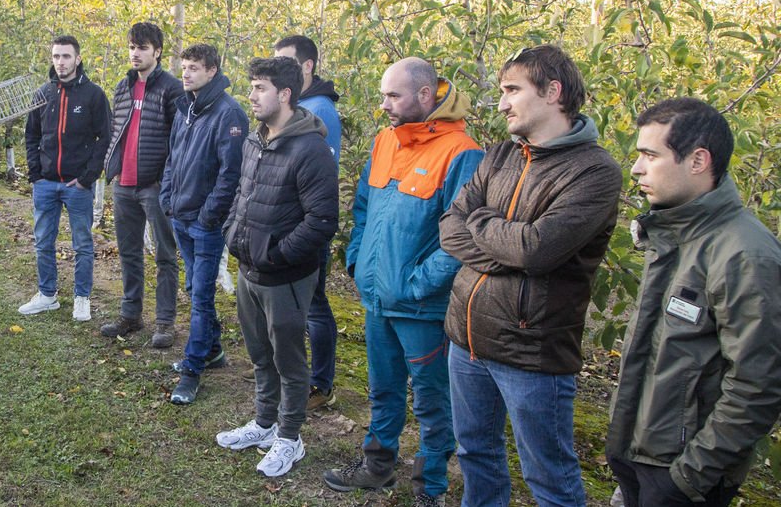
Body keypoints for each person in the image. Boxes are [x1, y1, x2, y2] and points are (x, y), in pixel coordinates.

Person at [439, 44, 623, 507]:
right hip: (467, 339)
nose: (501, 103)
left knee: (549, 477)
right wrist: (507, 245)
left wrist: (480, 222)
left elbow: (537, 250)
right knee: (475, 454)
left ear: (553, 92)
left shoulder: (594, 172)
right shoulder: (501, 154)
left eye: (511, 90)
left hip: (531, 350)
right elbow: (449, 228)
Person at [606, 97, 781, 507]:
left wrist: (690, 476)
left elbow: (758, 385)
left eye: (650, 155)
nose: (636, 169)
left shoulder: (744, 254)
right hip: (640, 457)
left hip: (681, 476)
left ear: (698, 161)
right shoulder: (673, 234)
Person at [323, 58, 482, 506]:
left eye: (394, 96)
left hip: (421, 308)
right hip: (377, 299)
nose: (384, 104)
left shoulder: (461, 152)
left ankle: (429, 488)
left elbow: (461, 236)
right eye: (383, 95)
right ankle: (377, 466)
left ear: (426, 95)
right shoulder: (384, 141)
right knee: (384, 388)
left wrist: (415, 284)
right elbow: (363, 208)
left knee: (432, 402)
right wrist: (357, 262)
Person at [217, 57, 338, 477]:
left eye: (259, 88)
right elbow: (241, 194)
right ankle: (264, 424)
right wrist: (234, 233)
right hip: (249, 270)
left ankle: (290, 438)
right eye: (251, 87)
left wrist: (276, 254)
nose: (251, 96)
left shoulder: (310, 149)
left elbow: (322, 221)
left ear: (284, 94)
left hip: (284, 277)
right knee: (259, 354)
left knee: (289, 360)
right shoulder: (255, 140)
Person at [160, 43, 248, 405]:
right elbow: (173, 157)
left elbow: (231, 174)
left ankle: (192, 369)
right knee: (196, 289)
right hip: (180, 215)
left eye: (194, 68)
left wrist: (209, 216)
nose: (186, 73)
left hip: (205, 223)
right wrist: (167, 197)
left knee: (200, 294)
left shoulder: (229, 114)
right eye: (184, 67)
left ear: (212, 71)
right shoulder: (185, 108)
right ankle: (212, 350)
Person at [100, 22, 184, 347]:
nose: (136, 53)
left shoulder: (171, 88)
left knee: (165, 255)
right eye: (132, 47)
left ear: (157, 51)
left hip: (155, 186)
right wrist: (114, 168)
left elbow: (179, 140)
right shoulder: (123, 87)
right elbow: (115, 130)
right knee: (129, 252)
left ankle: (165, 322)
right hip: (124, 184)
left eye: (143, 47)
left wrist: (167, 179)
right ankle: (130, 315)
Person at [19, 35, 111, 322]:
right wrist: (35, 174)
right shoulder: (43, 93)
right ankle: (47, 295)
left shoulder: (93, 95)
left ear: (78, 59)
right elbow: (31, 135)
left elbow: (105, 138)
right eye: (56, 56)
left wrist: (87, 178)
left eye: (66, 56)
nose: (61, 62)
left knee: (82, 244)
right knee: (43, 241)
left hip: (77, 186)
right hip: (46, 183)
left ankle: (81, 298)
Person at [273, 34, 342, 409]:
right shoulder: (297, 104)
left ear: (307, 66)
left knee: (314, 305)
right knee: (293, 306)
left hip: (306, 227)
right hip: (285, 224)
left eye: (286, 62)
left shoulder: (320, 110)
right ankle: (295, 376)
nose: (279, 69)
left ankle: (321, 384)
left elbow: (318, 177)